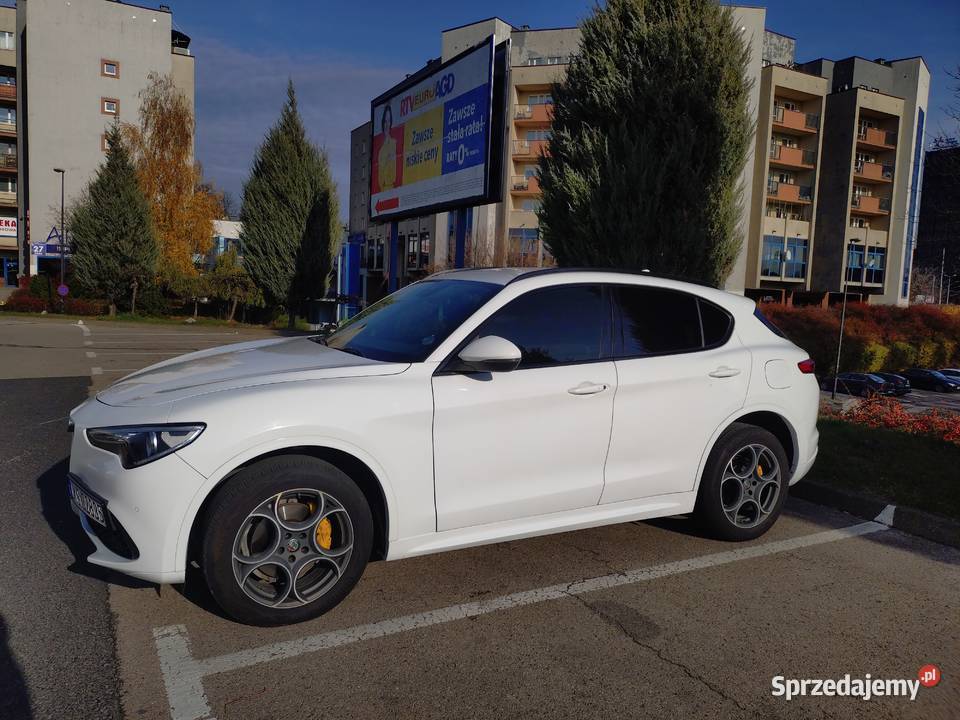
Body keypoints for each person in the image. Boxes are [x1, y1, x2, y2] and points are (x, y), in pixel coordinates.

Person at [377, 105, 398, 190]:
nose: (387, 125)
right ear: (382, 123)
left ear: (391, 123)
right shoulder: (380, 148)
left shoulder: (393, 143)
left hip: (389, 189)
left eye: (389, 121)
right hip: (381, 192)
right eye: (385, 121)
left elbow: (392, 176)